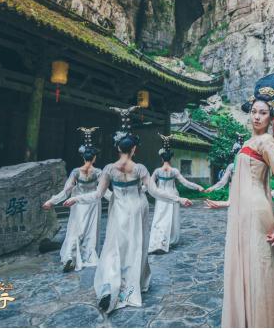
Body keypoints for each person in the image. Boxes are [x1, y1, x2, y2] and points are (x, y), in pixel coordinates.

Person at [63, 106, 193, 314]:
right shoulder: (140, 168)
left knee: (114, 248)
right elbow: (155, 192)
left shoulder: (109, 169)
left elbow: (97, 194)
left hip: (119, 209)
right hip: (137, 208)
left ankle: (112, 285)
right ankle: (133, 285)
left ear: (118, 148)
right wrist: (179, 198)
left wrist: (76, 198)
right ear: (134, 149)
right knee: (136, 246)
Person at [206, 73, 274, 327]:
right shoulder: (249, 141)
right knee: (244, 264)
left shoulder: (266, 143)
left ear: (271, 116)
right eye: (254, 111)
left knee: (259, 267)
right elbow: (243, 183)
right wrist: (227, 203)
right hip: (242, 212)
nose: (256, 117)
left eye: (263, 113)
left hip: (257, 213)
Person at [42, 127, 110, 272]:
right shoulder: (98, 172)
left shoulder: (76, 172)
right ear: (94, 158)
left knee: (75, 230)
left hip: (77, 204)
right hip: (92, 204)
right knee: (90, 232)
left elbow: (66, 191)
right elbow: (105, 192)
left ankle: (70, 257)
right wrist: (120, 200)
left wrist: (51, 201)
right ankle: (87, 256)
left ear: (83, 157)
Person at [148, 134, 204, 254]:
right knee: (171, 218)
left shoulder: (157, 171)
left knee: (160, 217)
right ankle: (170, 240)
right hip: (173, 194)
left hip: (161, 195)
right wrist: (198, 187)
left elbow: (149, 185)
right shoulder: (174, 171)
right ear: (171, 158)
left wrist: (139, 189)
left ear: (162, 158)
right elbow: (186, 182)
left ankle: (159, 240)